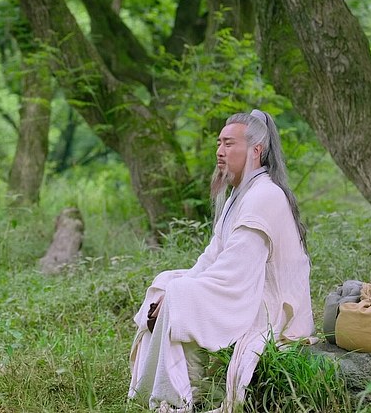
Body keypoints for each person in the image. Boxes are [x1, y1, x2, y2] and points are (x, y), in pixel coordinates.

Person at [128, 110, 315, 413]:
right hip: (243, 286)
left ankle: (187, 396)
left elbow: (235, 272)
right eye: (219, 143)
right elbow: (212, 256)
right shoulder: (238, 196)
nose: (219, 151)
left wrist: (181, 293)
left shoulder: (264, 195)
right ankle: (172, 390)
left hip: (268, 303)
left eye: (229, 144)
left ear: (256, 151)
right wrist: (176, 287)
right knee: (166, 283)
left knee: (180, 296)